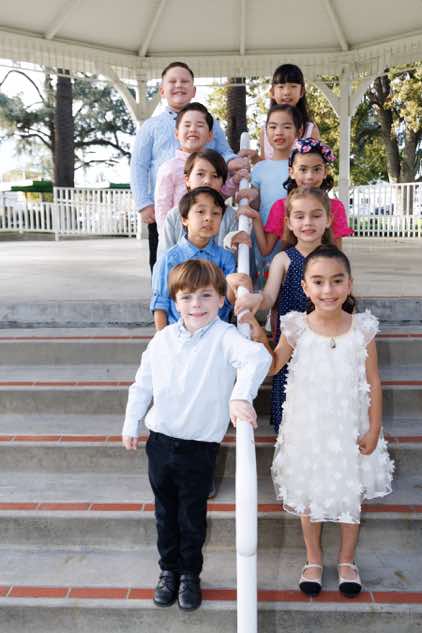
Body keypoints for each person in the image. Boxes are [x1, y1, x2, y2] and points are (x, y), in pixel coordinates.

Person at [242, 245, 393, 598]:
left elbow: (373, 381)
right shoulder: (296, 326)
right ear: (306, 287)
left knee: (350, 492)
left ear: (349, 284)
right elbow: (273, 366)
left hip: (350, 428)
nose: (328, 290)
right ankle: (313, 558)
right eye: (319, 282)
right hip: (308, 428)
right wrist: (257, 330)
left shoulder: (362, 329)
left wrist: (374, 428)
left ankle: (346, 561)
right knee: (309, 494)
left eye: (337, 281)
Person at [122, 259, 272, 610]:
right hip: (160, 441)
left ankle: (190, 574)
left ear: (221, 299)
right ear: (175, 302)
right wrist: (131, 422)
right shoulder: (162, 340)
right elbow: (142, 384)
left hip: (199, 447)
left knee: (191, 516)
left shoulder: (226, 337)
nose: (196, 304)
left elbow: (258, 359)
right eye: (187, 297)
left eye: (205, 295)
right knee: (165, 513)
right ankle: (168, 571)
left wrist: (240, 396)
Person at [231, 187, 333, 432]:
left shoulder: (335, 258)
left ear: (329, 220)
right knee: (293, 393)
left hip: (326, 338)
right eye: (299, 216)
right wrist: (256, 298)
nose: (307, 222)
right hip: (291, 342)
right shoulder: (283, 259)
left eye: (316, 215)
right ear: (288, 222)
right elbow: (269, 297)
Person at [130, 61, 245, 272]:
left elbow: (224, 151)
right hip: (165, 209)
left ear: (193, 90)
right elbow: (139, 165)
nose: (178, 85)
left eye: (184, 81)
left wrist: (233, 161)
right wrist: (143, 203)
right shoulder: (151, 126)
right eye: (172, 81)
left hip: (203, 212)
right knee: (165, 262)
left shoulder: (209, 122)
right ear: (162, 90)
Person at [151, 186, 250, 330]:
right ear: (185, 219)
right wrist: (162, 338)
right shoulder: (169, 259)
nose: (209, 218)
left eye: (216, 213)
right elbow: (160, 304)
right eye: (200, 211)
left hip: (215, 334)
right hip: (179, 335)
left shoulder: (226, 258)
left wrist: (233, 284)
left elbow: (228, 303)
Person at [246, 138, 354, 255]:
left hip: (324, 265)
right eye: (303, 169)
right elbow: (265, 250)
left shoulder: (335, 207)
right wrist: (255, 217)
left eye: (317, 169)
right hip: (288, 265)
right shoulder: (281, 207)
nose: (310, 176)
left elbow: (337, 253)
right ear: (291, 172)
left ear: (325, 172)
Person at [154, 103, 246, 231]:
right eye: (187, 125)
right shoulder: (169, 168)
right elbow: (162, 205)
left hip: (209, 231)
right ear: (177, 133)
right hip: (178, 233)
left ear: (210, 135)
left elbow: (220, 193)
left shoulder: (214, 163)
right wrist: (164, 235)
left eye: (200, 125)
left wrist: (235, 181)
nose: (193, 129)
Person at [247, 104, 303, 284]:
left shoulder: (301, 167)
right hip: (265, 233)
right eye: (272, 127)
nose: (279, 132)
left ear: (298, 131)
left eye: (286, 126)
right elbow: (257, 204)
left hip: (295, 233)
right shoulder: (260, 168)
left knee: (292, 278)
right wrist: (248, 195)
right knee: (267, 277)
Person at [157, 149, 244, 259]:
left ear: (223, 183)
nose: (207, 181)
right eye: (200, 174)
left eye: (215, 176)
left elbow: (235, 261)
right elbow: (163, 259)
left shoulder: (230, 216)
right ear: (187, 180)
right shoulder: (174, 216)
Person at [259, 63, 320, 160]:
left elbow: (315, 163)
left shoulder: (310, 130)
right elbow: (263, 161)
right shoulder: (264, 130)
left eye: (293, 86)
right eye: (281, 86)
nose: (287, 92)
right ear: (272, 92)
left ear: (302, 91)